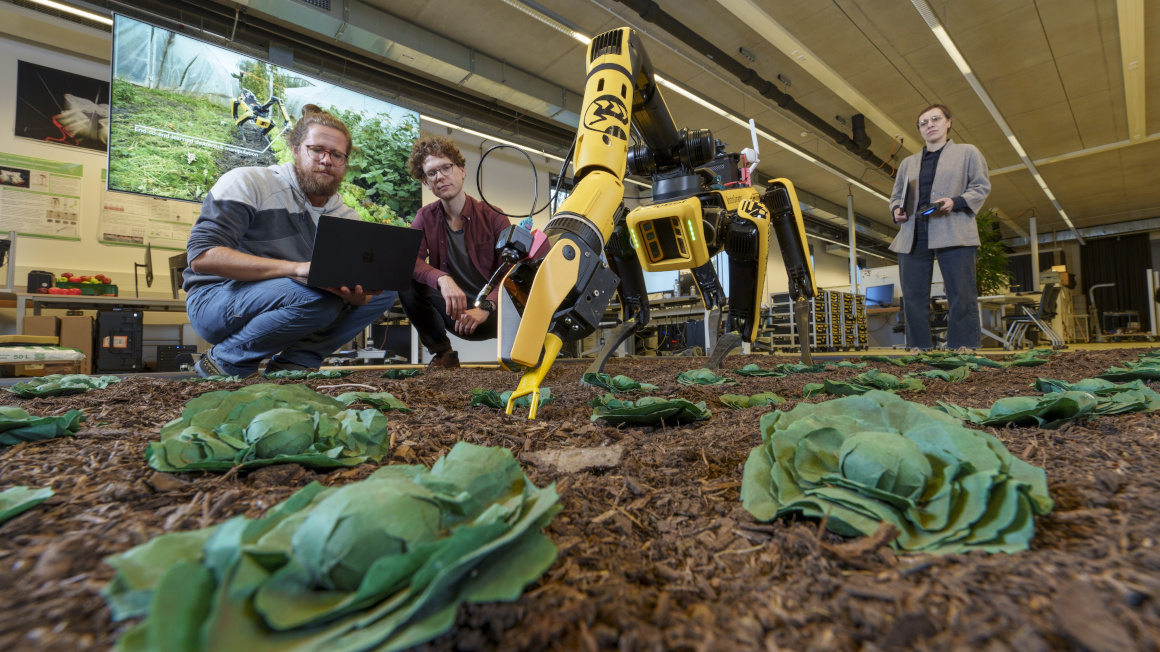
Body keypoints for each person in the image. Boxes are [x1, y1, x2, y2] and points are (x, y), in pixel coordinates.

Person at [183, 105, 397, 378]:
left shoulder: (346, 218)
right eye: (316, 149)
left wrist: (352, 292)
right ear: (295, 149)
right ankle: (225, 361)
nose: (326, 160)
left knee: (387, 291)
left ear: (344, 163)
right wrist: (296, 270)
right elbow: (202, 257)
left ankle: (294, 363)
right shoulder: (248, 182)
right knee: (317, 299)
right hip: (215, 300)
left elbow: (359, 296)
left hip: (296, 296)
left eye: (336, 155)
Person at [401, 136, 512, 369]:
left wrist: (487, 307)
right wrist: (442, 278)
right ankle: (443, 354)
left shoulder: (494, 216)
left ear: (461, 170)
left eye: (446, 168)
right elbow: (410, 260)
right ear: (426, 182)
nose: (440, 176)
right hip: (457, 314)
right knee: (405, 278)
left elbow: (512, 271)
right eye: (432, 173)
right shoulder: (425, 217)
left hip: (498, 315)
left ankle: (530, 353)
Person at [889, 103, 991, 353]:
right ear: (920, 130)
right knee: (913, 296)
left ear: (949, 122)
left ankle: (963, 346)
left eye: (935, 119)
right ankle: (918, 347)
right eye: (923, 123)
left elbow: (980, 187)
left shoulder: (968, 152)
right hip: (914, 232)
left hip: (953, 227)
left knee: (961, 292)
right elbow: (896, 197)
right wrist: (896, 211)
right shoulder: (908, 163)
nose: (929, 125)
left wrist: (955, 202)